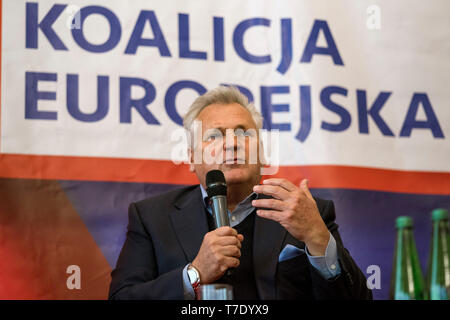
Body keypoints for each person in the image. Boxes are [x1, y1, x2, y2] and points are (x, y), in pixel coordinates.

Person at [109, 86, 372, 300]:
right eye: (214, 136)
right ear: (191, 157)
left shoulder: (307, 213)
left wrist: (317, 237)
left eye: (244, 133)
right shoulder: (152, 217)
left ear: (262, 152)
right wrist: (194, 273)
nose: (232, 143)